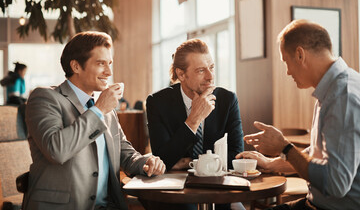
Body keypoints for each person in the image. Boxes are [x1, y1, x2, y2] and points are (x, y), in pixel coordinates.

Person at [23, 31, 166, 210]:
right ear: (75, 66)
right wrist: (98, 110)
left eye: (110, 64)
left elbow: (125, 153)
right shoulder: (44, 98)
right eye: (100, 64)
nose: (109, 72)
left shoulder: (104, 107)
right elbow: (56, 150)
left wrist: (145, 162)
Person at [237, 19, 360, 210]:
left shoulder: (342, 96)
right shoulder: (332, 89)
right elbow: (316, 156)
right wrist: (271, 164)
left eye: (286, 61)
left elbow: (336, 184)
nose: (287, 72)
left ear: (300, 54)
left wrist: (284, 147)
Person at [145, 39, 244, 210]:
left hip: (219, 189)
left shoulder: (227, 100)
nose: (210, 76)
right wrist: (193, 120)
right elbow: (163, 159)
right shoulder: (157, 102)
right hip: (176, 192)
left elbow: (236, 155)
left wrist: (189, 162)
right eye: (201, 70)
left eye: (211, 67)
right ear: (181, 75)